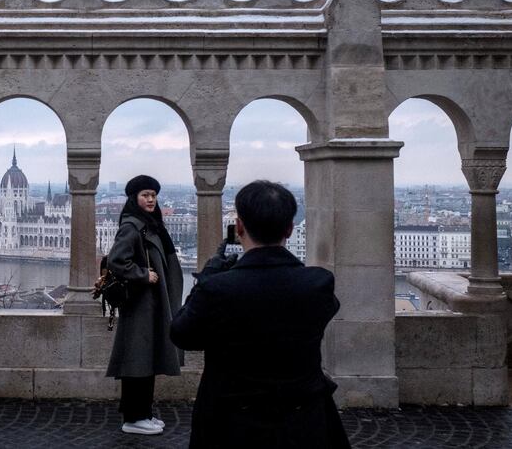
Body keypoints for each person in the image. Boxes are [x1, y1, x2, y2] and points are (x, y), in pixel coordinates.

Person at [170, 180, 350, 448]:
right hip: (302, 422)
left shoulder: (219, 289)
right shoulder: (317, 284)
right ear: (289, 228)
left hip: (231, 424)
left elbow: (181, 334)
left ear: (239, 227)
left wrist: (206, 278)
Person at [106, 174, 184, 435]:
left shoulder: (150, 224)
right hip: (141, 304)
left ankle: (144, 413)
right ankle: (133, 417)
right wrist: (143, 274)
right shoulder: (132, 226)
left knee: (147, 359)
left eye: (153, 195)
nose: (151, 199)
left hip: (152, 304)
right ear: (134, 198)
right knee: (137, 360)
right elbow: (117, 260)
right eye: (145, 195)